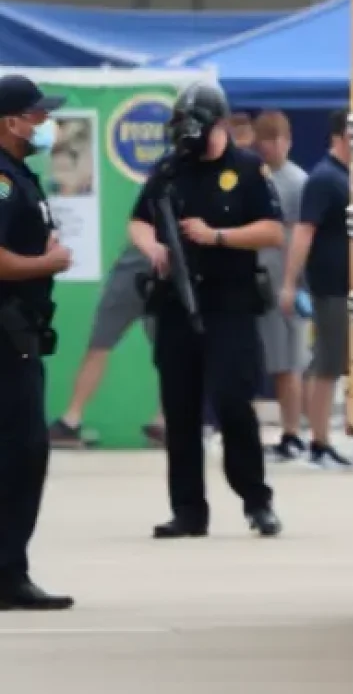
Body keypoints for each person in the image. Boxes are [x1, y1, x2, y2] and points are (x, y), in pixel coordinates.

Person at [128, 81, 284, 540]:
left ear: (218, 124)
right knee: (181, 412)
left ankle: (256, 501)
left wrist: (216, 235)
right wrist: (153, 247)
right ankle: (188, 511)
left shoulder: (249, 169)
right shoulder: (171, 169)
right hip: (176, 304)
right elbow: (138, 219)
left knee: (234, 404)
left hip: (229, 304)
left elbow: (273, 232)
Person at [0, 76, 76, 609]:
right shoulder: (2, 181)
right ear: (10, 122)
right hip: (6, 335)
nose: (45, 124)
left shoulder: (17, 176)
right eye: (37, 115)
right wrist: (45, 263)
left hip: (19, 330)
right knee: (21, 453)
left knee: (21, 452)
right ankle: (8, 575)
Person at [281, 109, 353, 469]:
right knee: (327, 364)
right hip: (330, 287)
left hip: (347, 286)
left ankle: (330, 437)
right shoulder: (325, 179)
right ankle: (319, 442)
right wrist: (290, 283)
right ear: (341, 135)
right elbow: (303, 233)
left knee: (336, 362)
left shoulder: (346, 176)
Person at [49, 244, 165, 447]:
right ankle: (70, 420)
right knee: (100, 343)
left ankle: (163, 422)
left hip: (173, 269)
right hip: (137, 266)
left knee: (173, 351)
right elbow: (138, 224)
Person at [253, 112, 310, 461]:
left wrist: (291, 282)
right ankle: (287, 431)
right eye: (268, 139)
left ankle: (292, 432)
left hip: (282, 285)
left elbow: (299, 236)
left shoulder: (296, 181)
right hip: (258, 283)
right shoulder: (255, 177)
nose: (274, 146)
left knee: (288, 362)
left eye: (280, 139)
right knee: (272, 360)